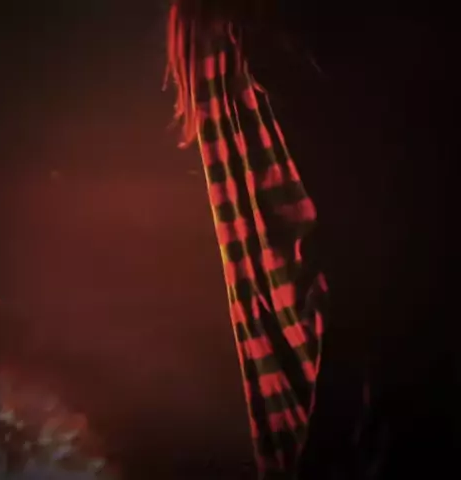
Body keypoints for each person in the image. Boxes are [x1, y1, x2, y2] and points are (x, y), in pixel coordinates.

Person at [164, 3, 450, 479]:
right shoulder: (265, 36)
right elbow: (357, 246)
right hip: (373, 366)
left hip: (361, 361)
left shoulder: (235, 39)